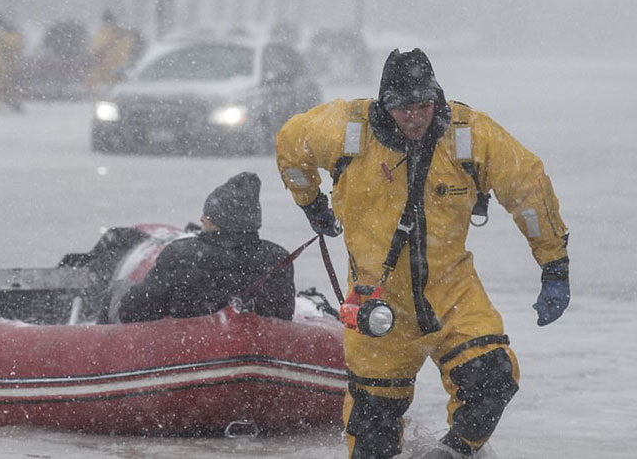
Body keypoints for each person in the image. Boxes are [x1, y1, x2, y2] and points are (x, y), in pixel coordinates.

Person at [275, 49, 570, 458]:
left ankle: (453, 452)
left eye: (423, 107)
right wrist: (312, 205)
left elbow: (529, 191)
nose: (415, 118)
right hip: (378, 304)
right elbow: (291, 147)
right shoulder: (343, 130)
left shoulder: (469, 136)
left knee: (494, 378)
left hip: (452, 292)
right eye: (403, 109)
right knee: (370, 433)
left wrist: (553, 265)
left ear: (437, 100)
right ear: (384, 106)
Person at [118, 172, 296, 323]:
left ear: (218, 220)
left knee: (118, 290)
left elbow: (135, 311)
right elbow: (284, 315)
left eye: (208, 215)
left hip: (185, 348)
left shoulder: (180, 254)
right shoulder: (277, 258)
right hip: (259, 348)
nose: (202, 219)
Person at [84, 10, 136, 99]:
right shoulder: (123, 33)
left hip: (107, 64)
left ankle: (105, 100)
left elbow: (94, 48)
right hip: (120, 64)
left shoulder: (105, 31)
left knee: (97, 81)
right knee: (113, 84)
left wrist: (93, 54)